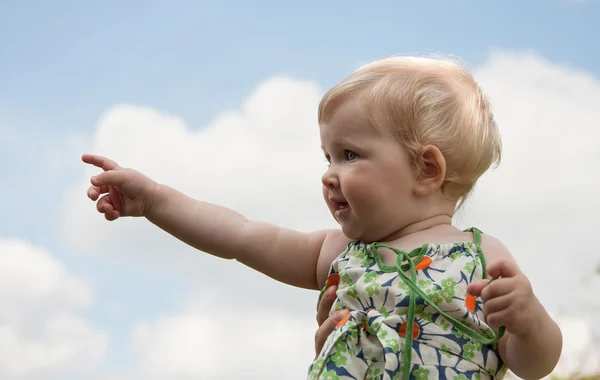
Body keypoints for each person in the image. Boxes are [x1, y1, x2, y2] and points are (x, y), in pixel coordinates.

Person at [82, 56, 562, 379]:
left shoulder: (482, 257)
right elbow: (238, 235)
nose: (329, 175)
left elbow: (531, 364)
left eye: (350, 155)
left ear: (426, 168)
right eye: (328, 157)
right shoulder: (338, 252)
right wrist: (156, 201)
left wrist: (527, 320)